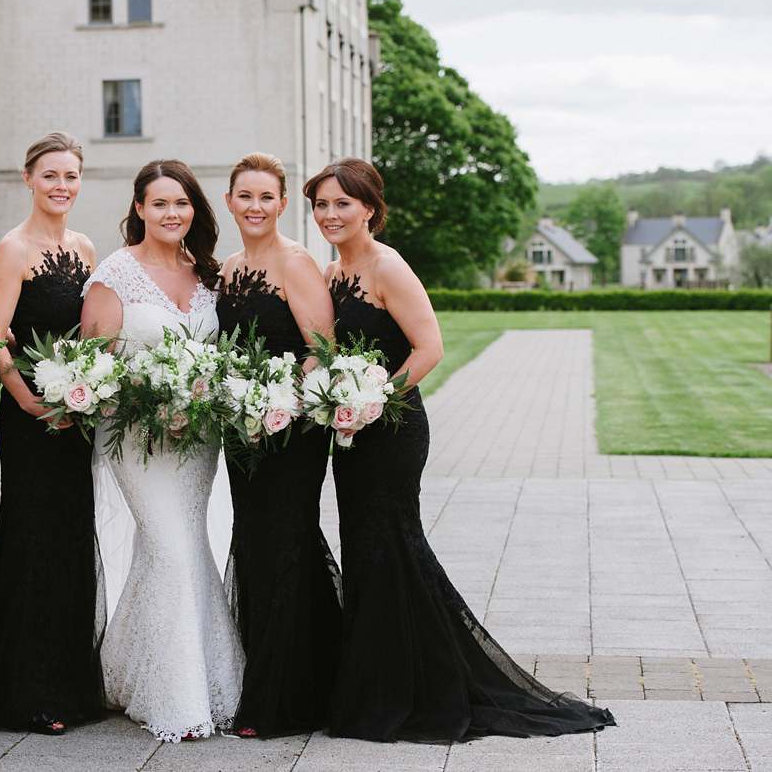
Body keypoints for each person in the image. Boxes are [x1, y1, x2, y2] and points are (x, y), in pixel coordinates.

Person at [305, 157, 616, 741]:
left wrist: (374, 397)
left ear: (369, 208)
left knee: (392, 545)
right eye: (321, 204)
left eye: (341, 203)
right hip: (348, 433)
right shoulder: (329, 275)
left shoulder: (387, 266)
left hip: (392, 430)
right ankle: (379, 683)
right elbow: (325, 347)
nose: (329, 214)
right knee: (369, 552)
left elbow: (430, 347)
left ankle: (416, 687)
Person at [81, 159, 244, 742]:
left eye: (181, 203)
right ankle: (178, 700)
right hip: (136, 437)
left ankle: (131, 672)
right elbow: (92, 368)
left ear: (194, 210)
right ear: (140, 209)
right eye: (159, 204)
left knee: (184, 548)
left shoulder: (208, 275)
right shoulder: (115, 274)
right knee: (171, 549)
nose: (171, 213)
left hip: (198, 438)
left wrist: (199, 396)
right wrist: (150, 399)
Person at [0, 131, 106, 735]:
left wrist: (91, 386)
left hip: (76, 417)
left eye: (71, 176)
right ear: (28, 179)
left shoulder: (84, 246)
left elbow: (94, 332)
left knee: (72, 535)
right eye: (50, 175)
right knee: (32, 534)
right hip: (29, 418)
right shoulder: (12, 248)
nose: (61, 186)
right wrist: (26, 400)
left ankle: (69, 686)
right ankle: (25, 691)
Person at [215, 152, 343, 738]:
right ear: (230, 202)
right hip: (242, 432)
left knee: (286, 540)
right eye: (246, 196)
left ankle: (284, 700)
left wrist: (278, 402)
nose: (256, 206)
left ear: (283, 204)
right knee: (256, 543)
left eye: (267, 197)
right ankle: (294, 677)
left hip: (292, 431)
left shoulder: (297, 263)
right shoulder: (229, 267)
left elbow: (321, 349)